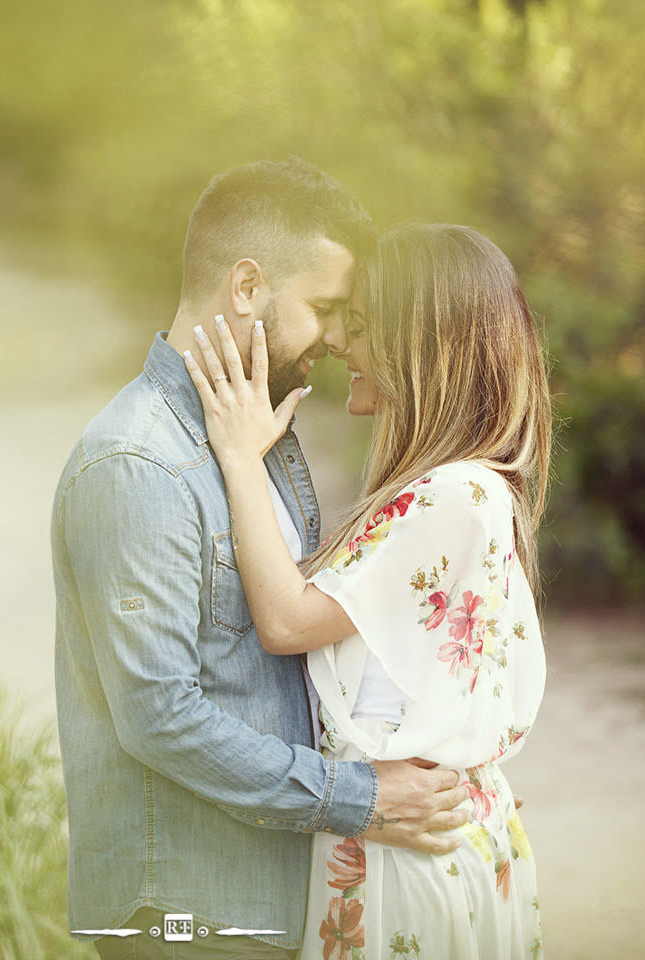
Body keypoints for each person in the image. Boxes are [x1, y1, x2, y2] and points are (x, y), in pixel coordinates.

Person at [51, 160, 471, 960]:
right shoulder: (137, 464)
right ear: (246, 287)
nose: (340, 338)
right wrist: (360, 798)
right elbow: (158, 716)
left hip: (267, 902)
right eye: (325, 308)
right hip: (182, 913)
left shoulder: (255, 437)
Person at [182, 221, 552, 959]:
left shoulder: (452, 495)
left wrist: (237, 453)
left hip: (406, 856)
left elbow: (286, 623)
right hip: (426, 838)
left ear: (421, 346)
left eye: (361, 327)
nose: (342, 346)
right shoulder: (462, 489)